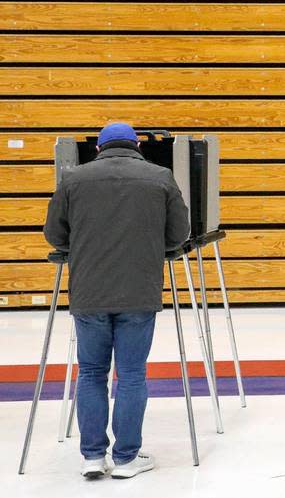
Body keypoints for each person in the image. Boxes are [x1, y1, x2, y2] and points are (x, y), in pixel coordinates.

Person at [43, 123, 190, 479]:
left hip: (90, 292)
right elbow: (179, 234)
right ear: (138, 145)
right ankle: (126, 458)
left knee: (92, 372)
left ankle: (93, 456)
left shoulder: (73, 180)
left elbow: (54, 234)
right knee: (131, 375)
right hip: (139, 290)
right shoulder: (160, 176)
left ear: (98, 148)